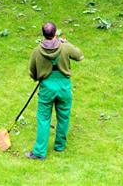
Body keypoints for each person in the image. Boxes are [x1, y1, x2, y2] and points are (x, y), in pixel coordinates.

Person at [25, 22, 84, 160]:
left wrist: (39, 77)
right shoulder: (65, 47)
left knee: (44, 118)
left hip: (47, 88)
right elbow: (80, 56)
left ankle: (39, 152)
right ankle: (60, 146)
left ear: (43, 34)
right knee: (63, 116)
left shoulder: (36, 51)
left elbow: (32, 73)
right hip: (64, 86)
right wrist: (67, 42)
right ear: (56, 33)